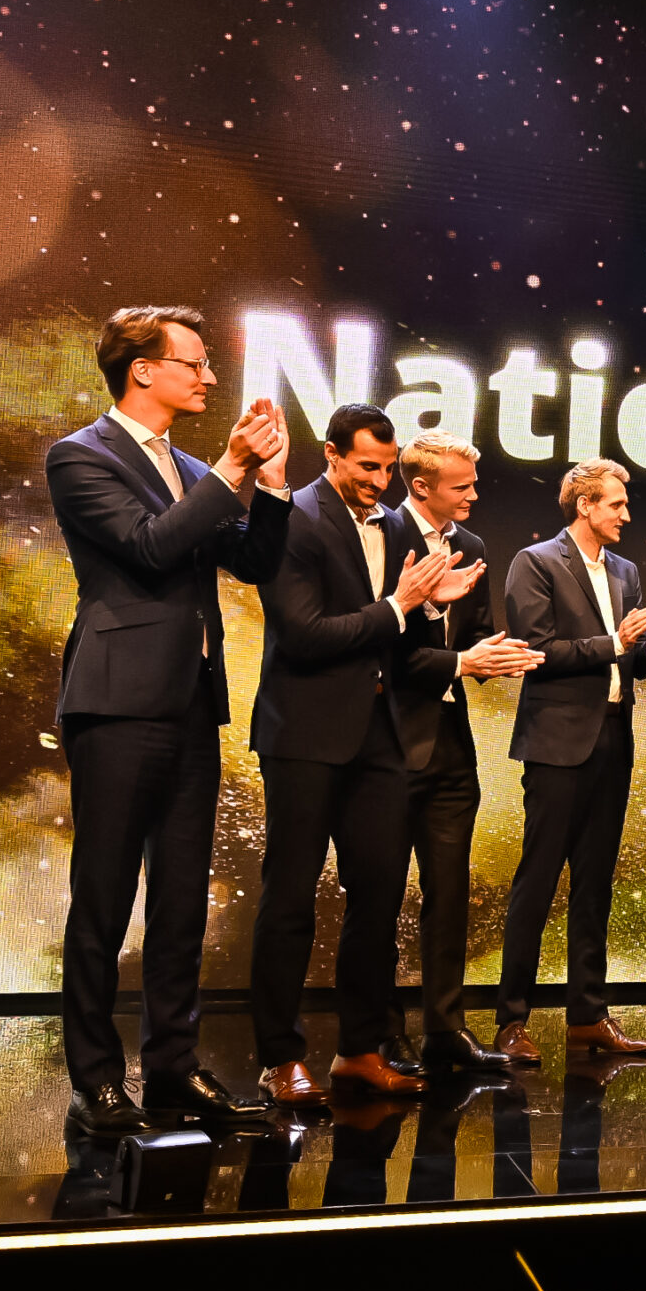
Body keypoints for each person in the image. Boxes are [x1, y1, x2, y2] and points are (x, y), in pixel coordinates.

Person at [49, 305, 290, 1135]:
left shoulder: (191, 466)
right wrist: (231, 468)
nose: (210, 377)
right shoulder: (81, 455)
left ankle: (173, 1069)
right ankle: (94, 1079)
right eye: (195, 363)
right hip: (117, 701)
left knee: (183, 897)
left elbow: (252, 560)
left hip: (191, 703)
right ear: (143, 370)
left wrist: (270, 484)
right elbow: (149, 547)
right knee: (104, 896)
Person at [248, 403, 481, 1105]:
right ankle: (281, 1057)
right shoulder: (294, 516)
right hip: (304, 734)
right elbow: (304, 634)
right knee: (291, 898)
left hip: (380, 735)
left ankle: (360, 1050)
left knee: (378, 897)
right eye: (366, 467)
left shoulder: (393, 527)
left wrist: (430, 606)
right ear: (332, 454)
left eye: (386, 469)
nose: (379, 481)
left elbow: (401, 645)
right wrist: (402, 605)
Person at [495, 459, 646, 1064]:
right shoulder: (536, 562)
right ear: (585, 505)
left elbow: (628, 664)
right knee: (538, 881)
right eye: (616, 504)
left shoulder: (625, 572)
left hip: (612, 740)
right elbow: (536, 651)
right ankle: (511, 1020)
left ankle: (588, 1016)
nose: (626, 515)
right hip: (557, 744)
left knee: (595, 884)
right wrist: (617, 641)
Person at [392, 430, 542, 1073]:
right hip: (387, 739)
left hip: (451, 742)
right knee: (380, 898)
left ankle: (445, 1029)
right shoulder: (383, 534)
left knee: (448, 892)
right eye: (463, 486)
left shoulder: (471, 547)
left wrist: (493, 657)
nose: (475, 495)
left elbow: (473, 636)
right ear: (421, 486)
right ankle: (381, 1036)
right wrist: (457, 655)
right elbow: (385, 649)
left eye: (474, 483)